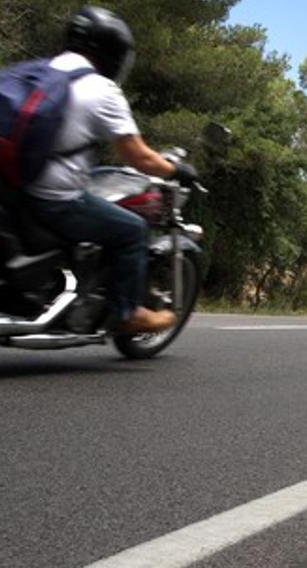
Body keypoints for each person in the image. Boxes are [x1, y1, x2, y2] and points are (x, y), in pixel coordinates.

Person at [25, 5, 198, 334]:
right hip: (53, 197)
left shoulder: (38, 71)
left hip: (14, 183)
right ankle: (126, 312)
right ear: (112, 54)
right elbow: (141, 158)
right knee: (131, 230)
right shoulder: (101, 89)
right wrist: (176, 169)